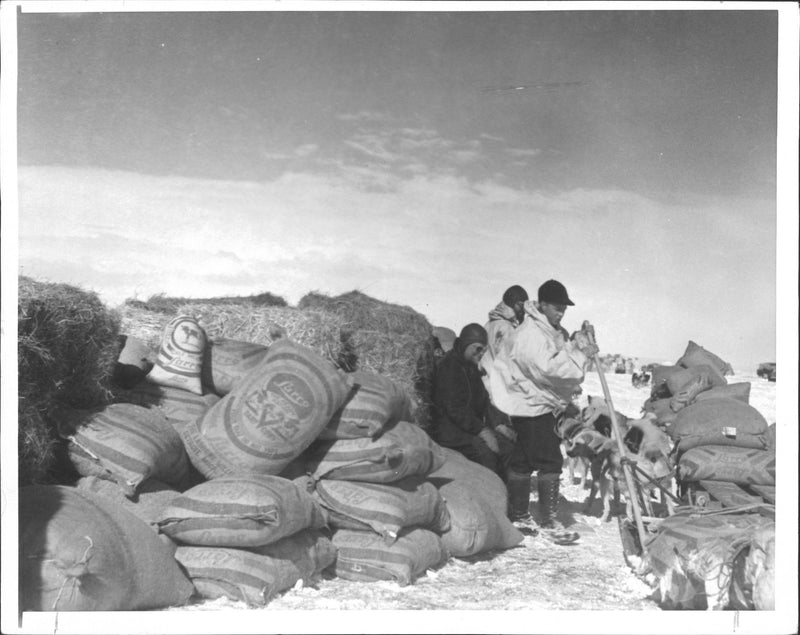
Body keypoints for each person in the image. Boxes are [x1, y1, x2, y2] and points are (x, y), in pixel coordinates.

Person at [488, 279, 598, 544]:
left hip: (534, 403)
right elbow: (551, 369)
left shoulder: (545, 329)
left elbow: (557, 356)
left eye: (564, 309)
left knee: (523, 460)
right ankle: (548, 520)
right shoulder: (531, 334)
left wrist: (576, 344)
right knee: (550, 461)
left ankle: (519, 515)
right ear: (543, 305)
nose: (561, 313)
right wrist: (581, 354)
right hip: (532, 405)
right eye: (557, 308)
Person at [431, 323, 514, 479]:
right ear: (465, 344)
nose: (481, 353)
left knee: (507, 448)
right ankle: (489, 490)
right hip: (450, 431)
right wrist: (482, 431)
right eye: (478, 348)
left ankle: (506, 491)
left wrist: (498, 423)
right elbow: (454, 408)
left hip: (469, 428)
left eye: (484, 350)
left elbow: (484, 400)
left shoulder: (470, 366)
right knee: (486, 455)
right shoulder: (448, 367)